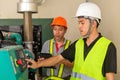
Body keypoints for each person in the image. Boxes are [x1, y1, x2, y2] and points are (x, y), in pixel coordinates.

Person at [26, 2, 117, 80]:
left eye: (82, 23)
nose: (79, 26)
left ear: (93, 23)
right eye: (78, 23)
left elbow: (110, 77)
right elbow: (58, 58)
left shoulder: (108, 46)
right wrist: (38, 64)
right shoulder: (78, 44)